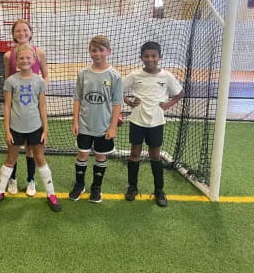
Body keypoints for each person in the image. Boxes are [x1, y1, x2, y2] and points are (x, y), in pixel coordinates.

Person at [0, 44, 61, 212]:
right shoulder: (11, 81)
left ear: (34, 60)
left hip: (35, 128)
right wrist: (7, 130)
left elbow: (42, 106)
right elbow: (6, 107)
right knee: (10, 159)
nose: (25, 60)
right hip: (15, 128)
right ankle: (0, 191)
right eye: (21, 58)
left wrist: (45, 129)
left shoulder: (39, 81)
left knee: (40, 158)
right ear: (16, 61)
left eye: (28, 58)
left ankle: (51, 194)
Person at [123, 41, 185, 207]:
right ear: (141, 57)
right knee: (135, 153)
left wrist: (167, 105)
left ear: (159, 57)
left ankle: (159, 190)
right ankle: (132, 187)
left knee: (155, 156)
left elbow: (180, 93)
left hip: (156, 122)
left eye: (153, 56)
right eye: (146, 56)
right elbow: (116, 90)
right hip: (137, 120)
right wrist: (128, 102)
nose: (150, 59)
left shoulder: (166, 76)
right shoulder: (135, 75)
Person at [69, 35, 123, 203]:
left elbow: (117, 103)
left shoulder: (115, 76)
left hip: (104, 126)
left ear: (108, 52)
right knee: (82, 154)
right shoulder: (83, 73)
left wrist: (113, 127)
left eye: (101, 50)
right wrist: (75, 121)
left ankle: (96, 188)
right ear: (89, 51)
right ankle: (79, 185)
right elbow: (77, 98)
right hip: (85, 124)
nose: (97, 53)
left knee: (101, 156)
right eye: (94, 50)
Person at [2, 19, 48, 197]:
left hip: (34, 107)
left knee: (31, 148)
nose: (22, 33)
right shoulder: (8, 55)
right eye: (18, 31)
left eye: (25, 30)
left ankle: (31, 179)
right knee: (13, 145)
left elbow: (45, 75)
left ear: (31, 32)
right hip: (17, 108)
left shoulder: (39, 52)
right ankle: (12, 179)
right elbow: (8, 79)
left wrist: (40, 91)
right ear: (13, 34)